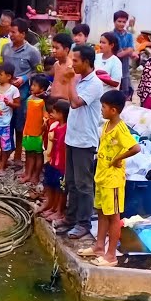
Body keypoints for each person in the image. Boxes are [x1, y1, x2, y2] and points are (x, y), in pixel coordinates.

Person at [80, 90, 140, 267]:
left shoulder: (121, 129)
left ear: (113, 110)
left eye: (104, 107)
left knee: (114, 216)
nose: (101, 110)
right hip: (102, 176)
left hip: (113, 180)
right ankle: (99, 246)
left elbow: (135, 148)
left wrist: (117, 159)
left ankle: (111, 255)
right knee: (101, 211)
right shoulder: (106, 125)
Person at [54, 44, 105, 240]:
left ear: (86, 62)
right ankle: (71, 217)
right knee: (71, 182)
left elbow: (75, 102)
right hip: (72, 138)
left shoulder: (93, 84)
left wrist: (72, 82)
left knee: (84, 184)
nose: (72, 64)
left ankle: (83, 223)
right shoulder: (81, 80)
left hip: (85, 141)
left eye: (75, 61)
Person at [0, 18, 42, 167]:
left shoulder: (32, 52)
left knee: (19, 124)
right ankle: (5, 151)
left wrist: (24, 78)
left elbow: (38, 71)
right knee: (5, 123)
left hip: (22, 92)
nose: (11, 34)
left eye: (14, 32)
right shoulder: (5, 48)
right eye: (10, 31)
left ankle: (18, 154)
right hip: (5, 91)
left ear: (23, 34)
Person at [40, 100, 69, 221]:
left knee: (60, 188)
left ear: (62, 114)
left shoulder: (67, 128)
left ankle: (59, 210)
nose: (52, 113)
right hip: (52, 161)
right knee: (50, 183)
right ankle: (50, 205)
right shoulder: (55, 126)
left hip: (62, 163)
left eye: (55, 112)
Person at [21, 74, 49, 185]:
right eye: (32, 85)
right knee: (28, 153)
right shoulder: (29, 99)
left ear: (42, 89)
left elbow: (45, 117)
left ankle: (35, 175)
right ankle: (27, 173)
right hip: (28, 132)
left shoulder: (42, 102)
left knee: (37, 155)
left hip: (38, 134)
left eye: (35, 85)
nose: (32, 87)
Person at [112, 10, 136, 99]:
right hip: (113, 67)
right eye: (119, 21)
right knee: (113, 91)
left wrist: (125, 51)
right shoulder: (111, 35)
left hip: (124, 68)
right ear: (114, 22)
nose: (122, 24)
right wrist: (128, 51)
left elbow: (131, 49)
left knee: (125, 93)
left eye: (124, 22)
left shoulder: (128, 36)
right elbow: (118, 54)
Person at [0, 9, 14, 74]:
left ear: (10, 25)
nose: (2, 23)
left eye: (4, 22)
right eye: (1, 20)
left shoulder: (10, 40)